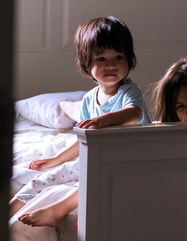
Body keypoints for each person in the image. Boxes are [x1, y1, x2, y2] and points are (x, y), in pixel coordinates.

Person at [11, 16, 151, 227]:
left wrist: (106, 120)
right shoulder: (88, 100)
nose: (111, 64)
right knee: (43, 179)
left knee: (92, 182)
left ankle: (57, 211)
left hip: (129, 159)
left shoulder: (128, 92)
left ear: (129, 60)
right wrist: (55, 160)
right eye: (101, 59)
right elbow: (83, 140)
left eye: (118, 57)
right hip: (95, 158)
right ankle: (12, 208)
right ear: (87, 65)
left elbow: (133, 112)